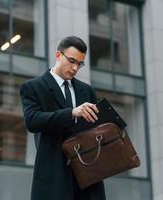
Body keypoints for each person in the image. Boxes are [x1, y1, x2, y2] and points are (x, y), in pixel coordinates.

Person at [20, 36, 106, 200]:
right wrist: (71, 112)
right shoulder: (33, 87)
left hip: (88, 176)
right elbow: (32, 120)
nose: (75, 68)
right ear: (58, 55)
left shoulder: (87, 91)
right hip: (54, 176)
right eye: (72, 61)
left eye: (80, 64)